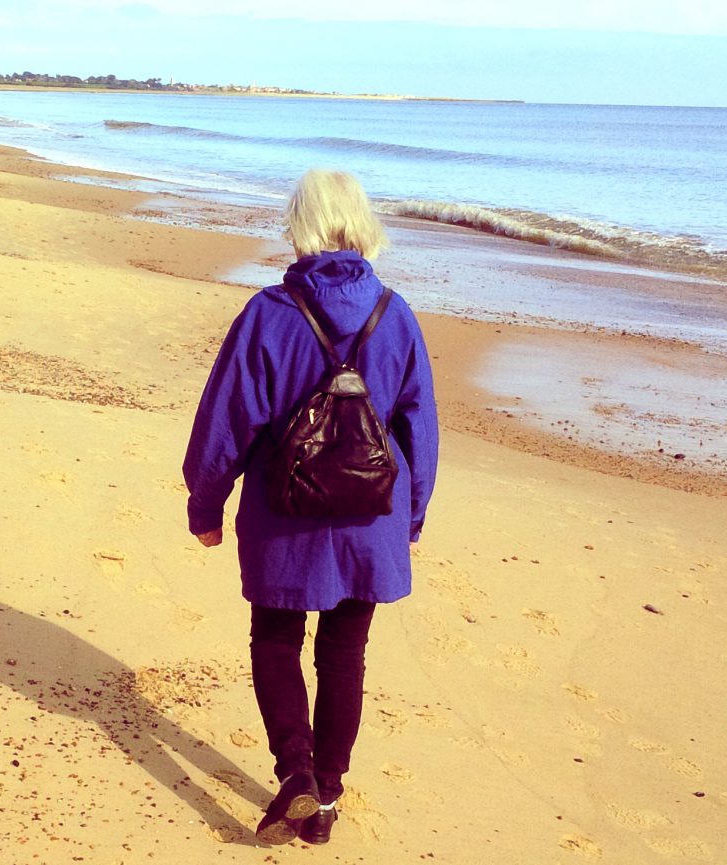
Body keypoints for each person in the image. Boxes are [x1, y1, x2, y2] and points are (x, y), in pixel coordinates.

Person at [183, 168, 439, 845]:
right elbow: (420, 426)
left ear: (300, 225)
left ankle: (295, 774)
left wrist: (205, 502)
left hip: (283, 513)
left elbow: (226, 421)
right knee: (345, 652)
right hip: (372, 518)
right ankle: (325, 792)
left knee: (275, 638)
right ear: (362, 224)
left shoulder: (269, 314)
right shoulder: (397, 314)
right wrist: (412, 516)